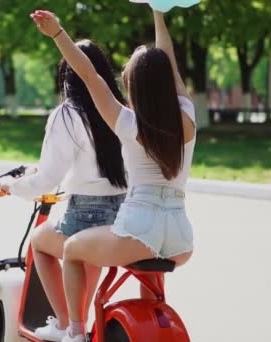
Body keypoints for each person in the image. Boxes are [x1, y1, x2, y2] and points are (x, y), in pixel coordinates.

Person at [31, 6, 196, 342]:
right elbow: (169, 61)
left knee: (74, 247)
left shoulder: (128, 123)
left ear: (133, 86)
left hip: (138, 230)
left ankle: (75, 334)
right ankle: (152, 318)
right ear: (167, 85)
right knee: (149, 260)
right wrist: (158, 12)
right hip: (181, 239)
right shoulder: (187, 118)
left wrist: (58, 34)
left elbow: (89, 74)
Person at [0, 40, 128, 342]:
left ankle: (65, 325)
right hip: (122, 213)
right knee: (91, 256)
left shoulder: (67, 114)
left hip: (85, 211)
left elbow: (45, 181)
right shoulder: (119, 111)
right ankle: (79, 325)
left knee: (39, 242)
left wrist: (11, 186)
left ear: (66, 78)